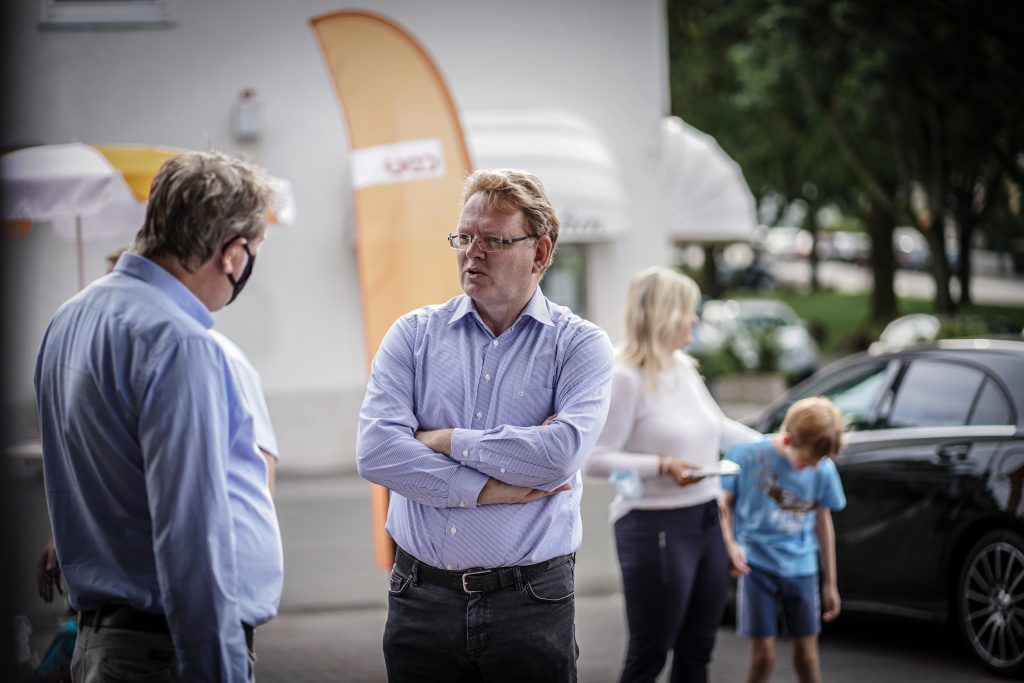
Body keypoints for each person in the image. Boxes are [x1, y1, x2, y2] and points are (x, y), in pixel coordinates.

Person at [356, 168, 614, 682]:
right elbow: (377, 453)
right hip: (420, 598)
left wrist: (445, 440)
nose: (472, 252)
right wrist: (488, 489)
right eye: (465, 237)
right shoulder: (413, 335)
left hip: (531, 602)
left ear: (540, 253)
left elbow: (558, 455)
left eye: (494, 240)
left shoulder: (579, 346)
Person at [34, 151, 283, 682]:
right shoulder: (180, 344)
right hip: (161, 651)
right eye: (254, 251)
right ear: (233, 255)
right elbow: (192, 542)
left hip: (106, 638)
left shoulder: (70, 318)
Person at [584, 266, 761, 682]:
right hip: (654, 527)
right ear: (664, 314)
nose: (696, 320)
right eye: (689, 311)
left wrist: (779, 445)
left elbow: (722, 430)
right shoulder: (624, 377)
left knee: (697, 654)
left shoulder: (683, 367)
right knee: (649, 656)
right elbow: (592, 459)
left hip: (706, 521)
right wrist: (662, 466)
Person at [720, 397, 846, 683]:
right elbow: (722, 504)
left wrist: (830, 582)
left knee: (807, 657)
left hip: (802, 570)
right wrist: (730, 543)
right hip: (757, 568)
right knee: (763, 657)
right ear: (788, 439)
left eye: (818, 463)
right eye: (805, 461)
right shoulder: (746, 456)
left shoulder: (823, 469)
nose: (811, 468)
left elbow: (823, 521)